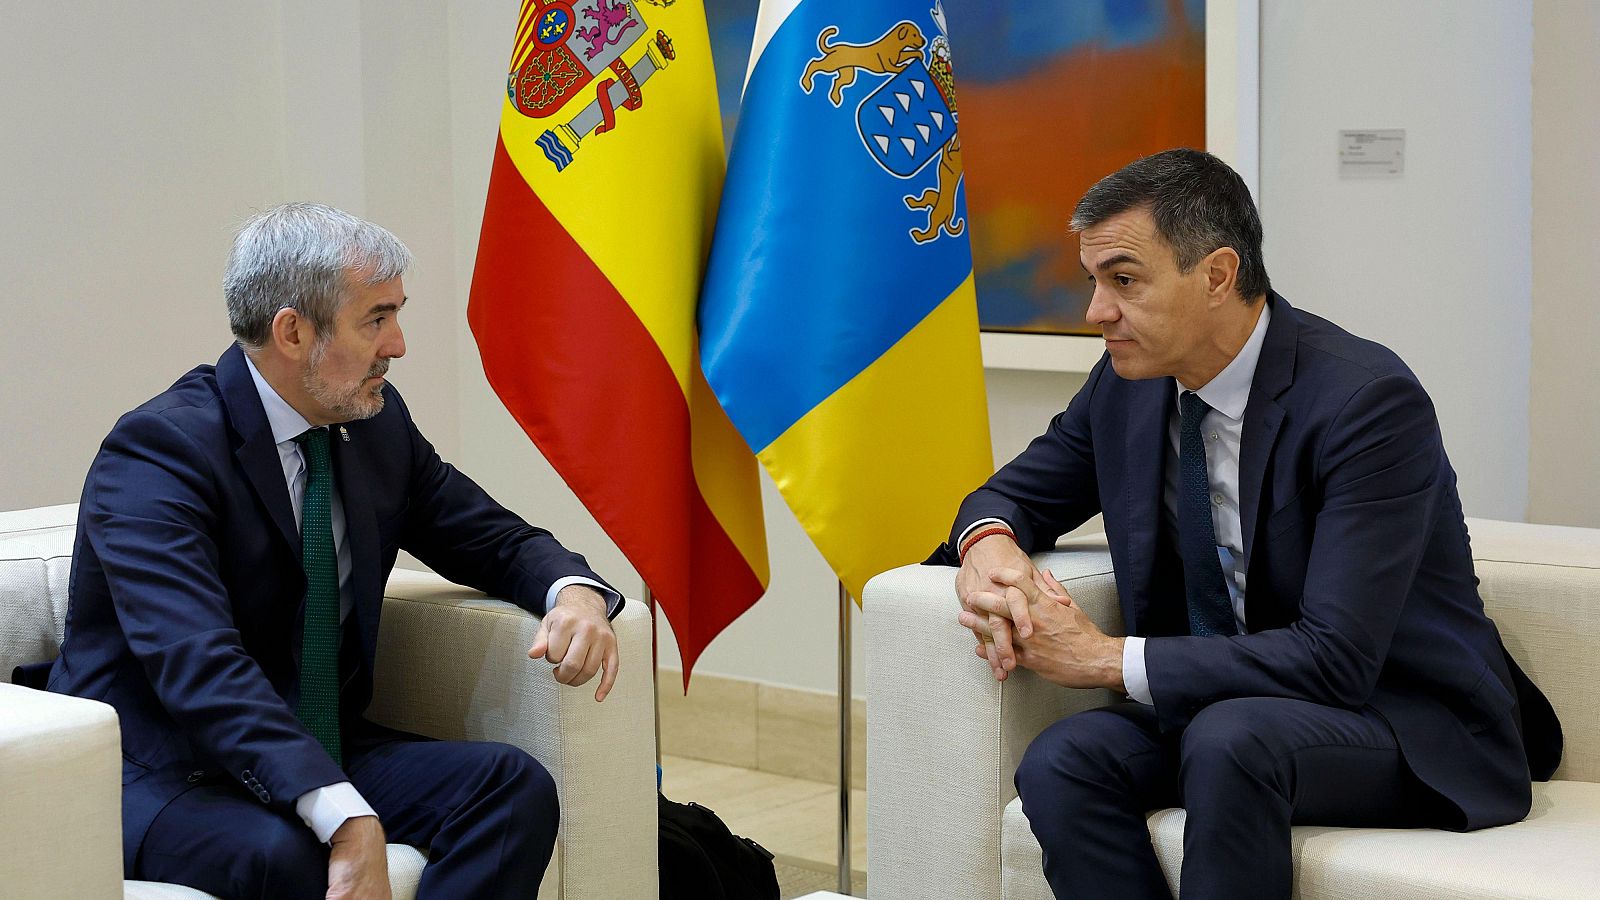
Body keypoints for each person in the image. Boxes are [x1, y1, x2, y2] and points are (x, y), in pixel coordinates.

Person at [936, 149, 1561, 899]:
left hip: (1401, 718)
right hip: (1224, 711)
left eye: (1124, 281)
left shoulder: (1366, 404)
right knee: (1064, 759)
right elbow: (1011, 495)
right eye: (1094, 281)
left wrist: (1108, 659)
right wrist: (990, 547)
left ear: (1218, 275)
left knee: (1232, 741)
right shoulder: (1128, 385)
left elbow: (1337, 658)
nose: (1096, 312)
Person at [43, 203, 623, 899]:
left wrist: (574, 591)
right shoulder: (159, 452)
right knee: (282, 854)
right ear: (293, 331)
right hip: (171, 763)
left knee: (509, 788)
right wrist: (344, 814)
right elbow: (196, 663)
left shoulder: (376, 427)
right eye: (376, 319)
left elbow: (489, 536)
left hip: (318, 737)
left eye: (396, 314)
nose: (400, 344)